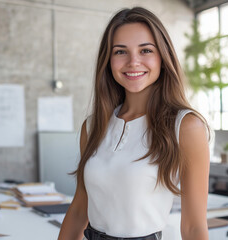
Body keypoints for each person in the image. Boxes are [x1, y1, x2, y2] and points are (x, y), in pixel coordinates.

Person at [58, 7, 210, 240]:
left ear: (163, 56)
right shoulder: (92, 127)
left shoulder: (186, 127)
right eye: (120, 52)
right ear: (108, 60)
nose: (133, 62)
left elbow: (193, 228)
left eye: (146, 50)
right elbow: (79, 209)